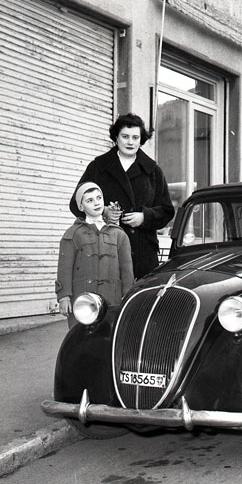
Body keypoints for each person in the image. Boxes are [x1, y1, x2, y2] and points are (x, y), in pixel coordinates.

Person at [69, 113, 175, 280]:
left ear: (141, 139)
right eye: (125, 136)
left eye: (135, 137)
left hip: (143, 255)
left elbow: (167, 211)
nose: (130, 142)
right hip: (104, 251)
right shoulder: (98, 167)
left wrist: (144, 217)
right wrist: (102, 211)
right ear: (116, 138)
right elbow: (75, 204)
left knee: (141, 295)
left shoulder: (153, 171)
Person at [57, 182, 134, 328]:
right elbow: (64, 268)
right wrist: (64, 296)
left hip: (112, 299)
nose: (96, 203)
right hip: (82, 301)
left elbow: (127, 269)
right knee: (80, 336)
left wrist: (127, 295)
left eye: (99, 198)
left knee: (109, 334)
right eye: (89, 200)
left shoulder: (119, 234)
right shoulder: (73, 234)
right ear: (81, 207)